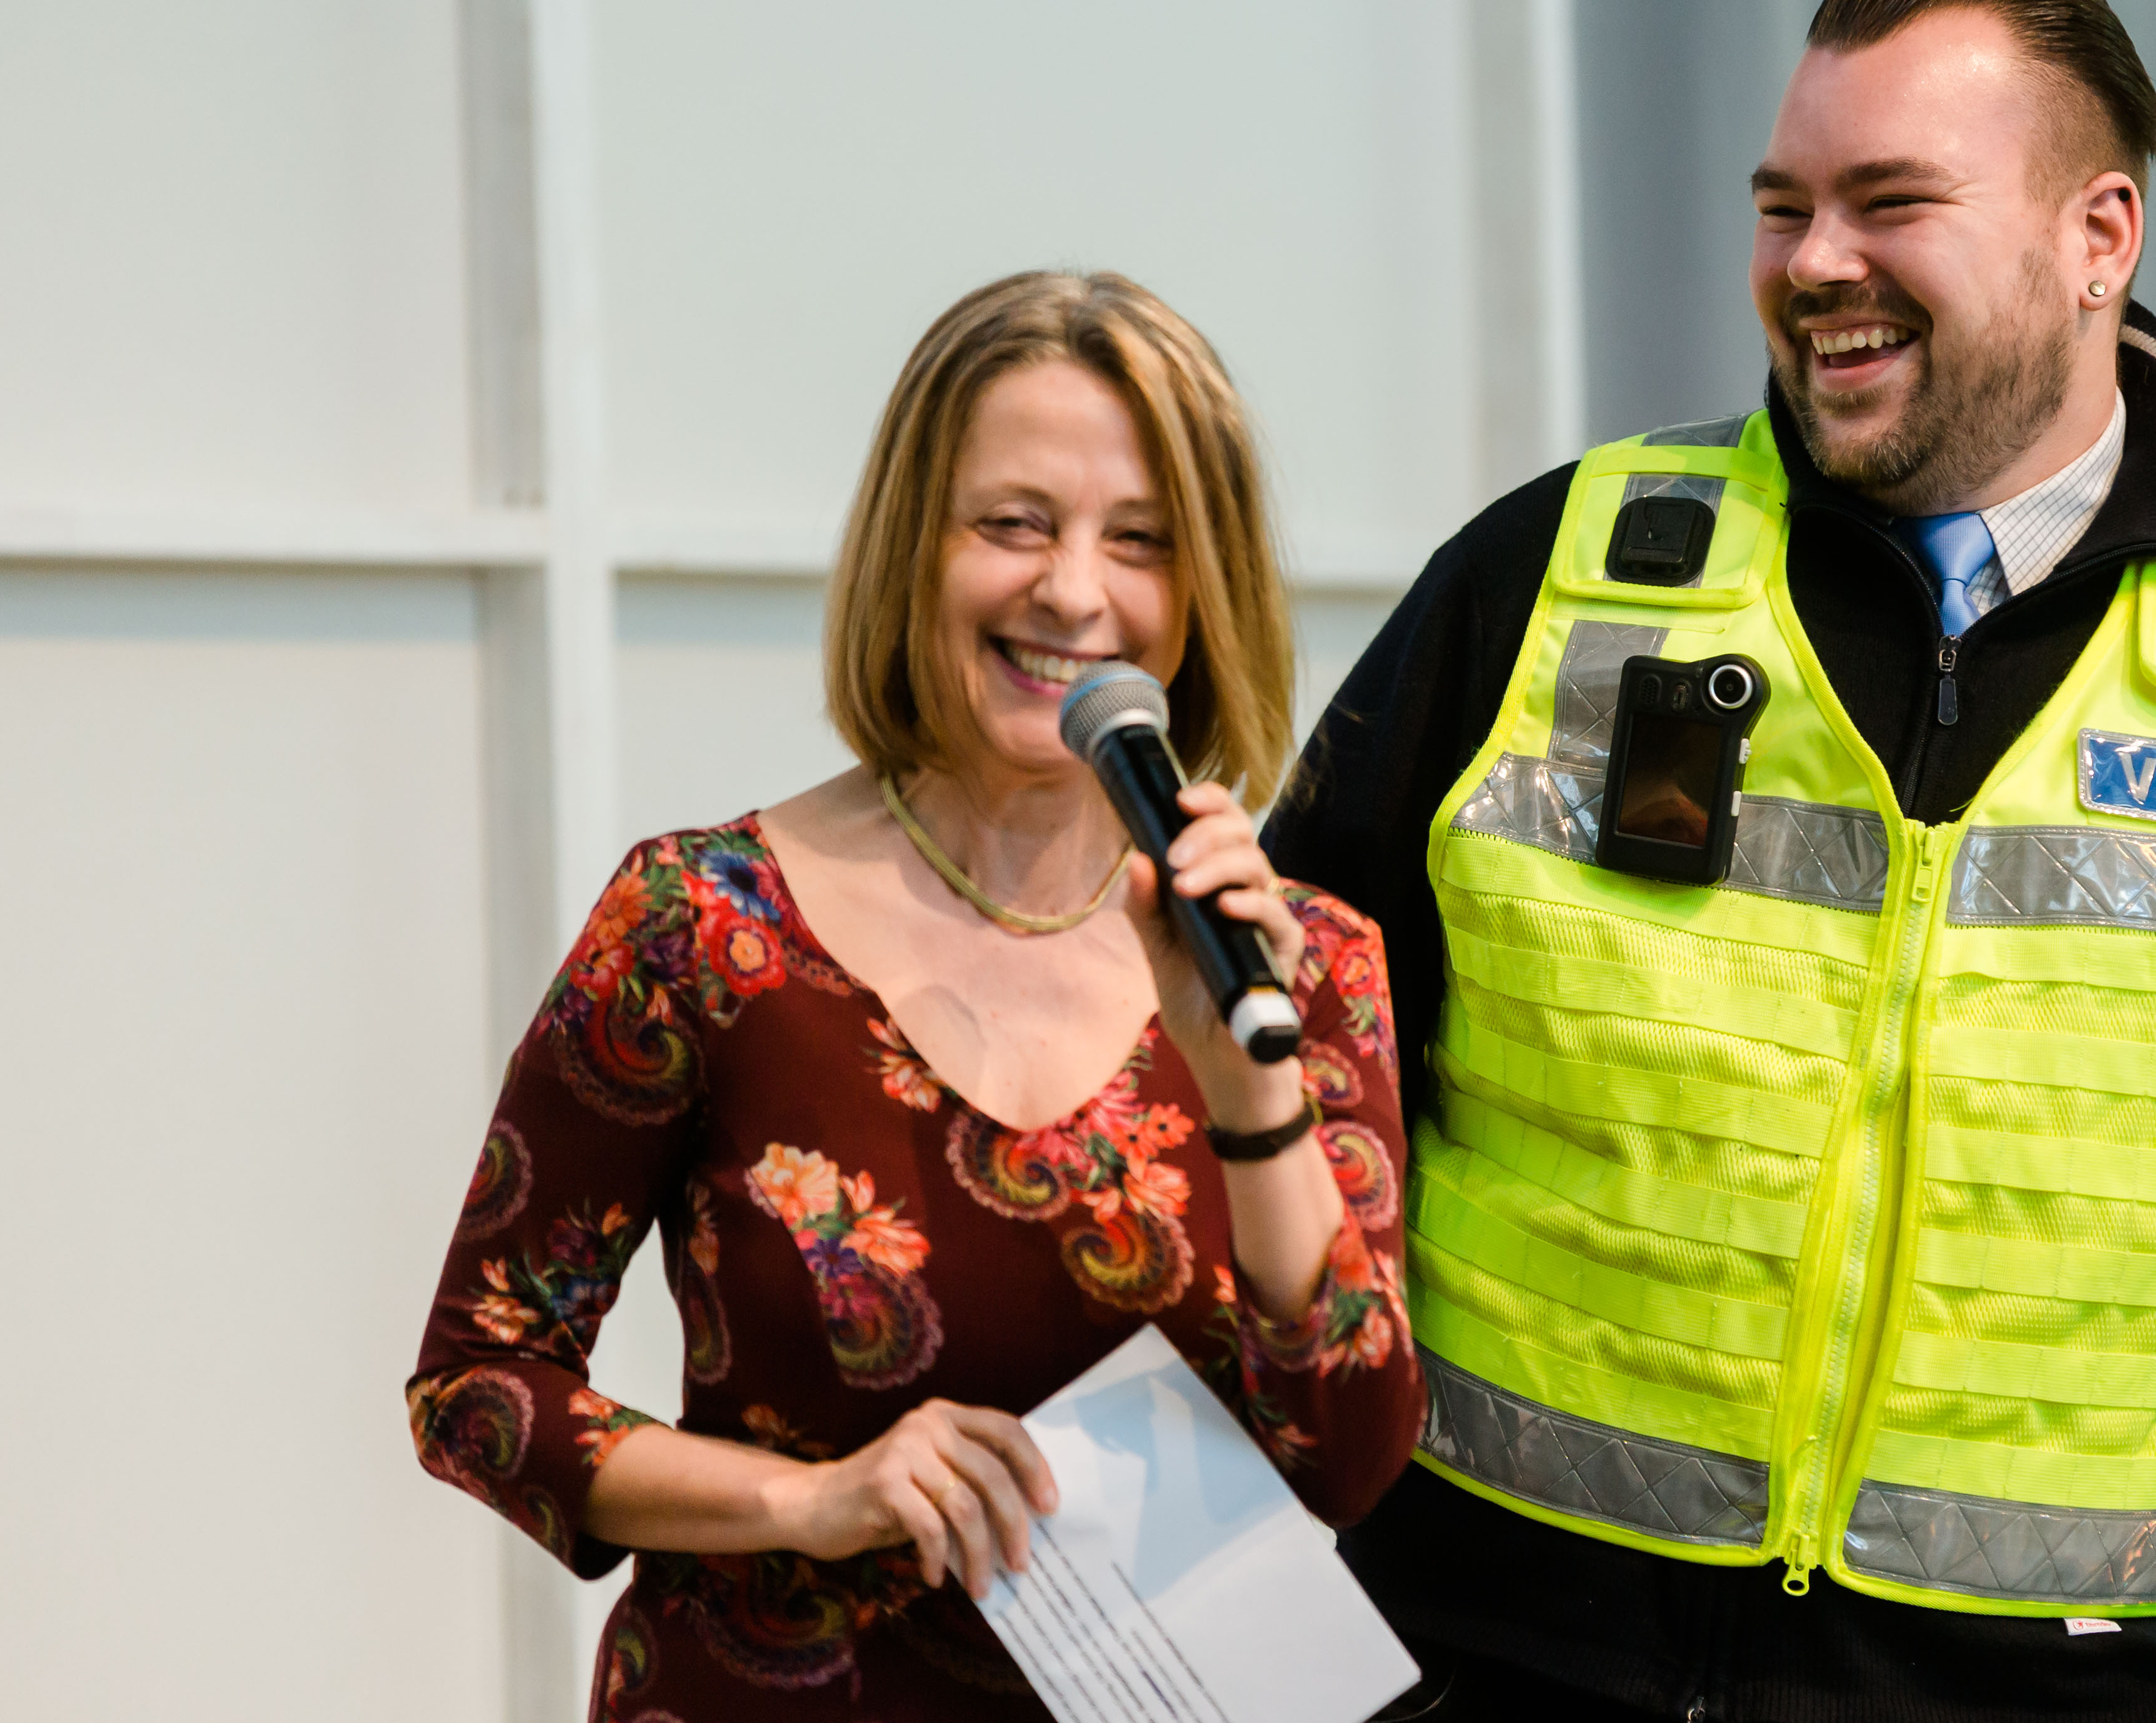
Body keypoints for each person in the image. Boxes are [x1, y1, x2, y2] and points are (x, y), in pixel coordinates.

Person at [1267, 0, 2156, 1723]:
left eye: (1890, 202)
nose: (1813, 267)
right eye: (1783, 206)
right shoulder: (1550, 581)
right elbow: (1265, 1072)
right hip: (1481, 1663)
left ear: (2099, 236)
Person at [408, 271, 1421, 1718]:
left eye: (1139, 541)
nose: (1072, 589)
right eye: (1012, 524)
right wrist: (806, 1503)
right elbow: (479, 1385)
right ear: (912, 548)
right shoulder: (702, 927)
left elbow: (1350, 1459)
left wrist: (1252, 1102)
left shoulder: (1298, 964)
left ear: (1203, 596)